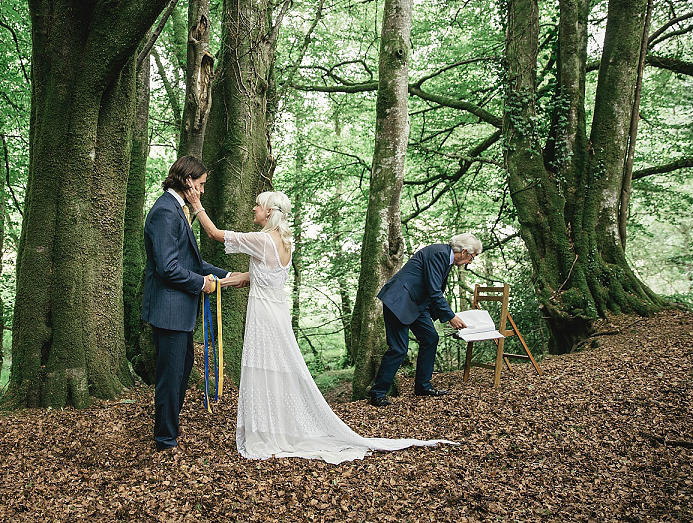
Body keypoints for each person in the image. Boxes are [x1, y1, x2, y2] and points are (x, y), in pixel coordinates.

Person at [185, 187, 455, 463]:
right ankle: (274, 425)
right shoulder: (283, 242)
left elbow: (215, 235)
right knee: (275, 368)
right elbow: (253, 277)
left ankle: (268, 430)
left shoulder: (263, 240)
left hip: (263, 314)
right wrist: (217, 282)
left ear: (268, 212)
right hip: (274, 312)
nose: (253, 209)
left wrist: (196, 204)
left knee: (264, 367)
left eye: (257, 205)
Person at [142, 156, 231, 452]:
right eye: (201, 184)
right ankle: (165, 440)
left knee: (182, 369)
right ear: (188, 181)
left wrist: (228, 276)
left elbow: (191, 261)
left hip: (179, 310)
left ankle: (170, 429)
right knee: (171, 377)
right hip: (169, 311)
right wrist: (202, 284)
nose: (203, 191)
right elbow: (168, 267)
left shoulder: (178, 210)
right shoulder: (165, 212)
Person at [368, 234, 483, 406]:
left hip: (416, 304)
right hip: (399, 300)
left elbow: (432, 290)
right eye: (472, 257)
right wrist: (450, 317)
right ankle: (377, 393)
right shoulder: (439, 254)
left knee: (430, 338)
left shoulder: (446, 258)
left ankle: (423, 386)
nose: (470, 261)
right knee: (399, 349)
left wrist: (445, 315)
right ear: (464, 251)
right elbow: (434, 290)